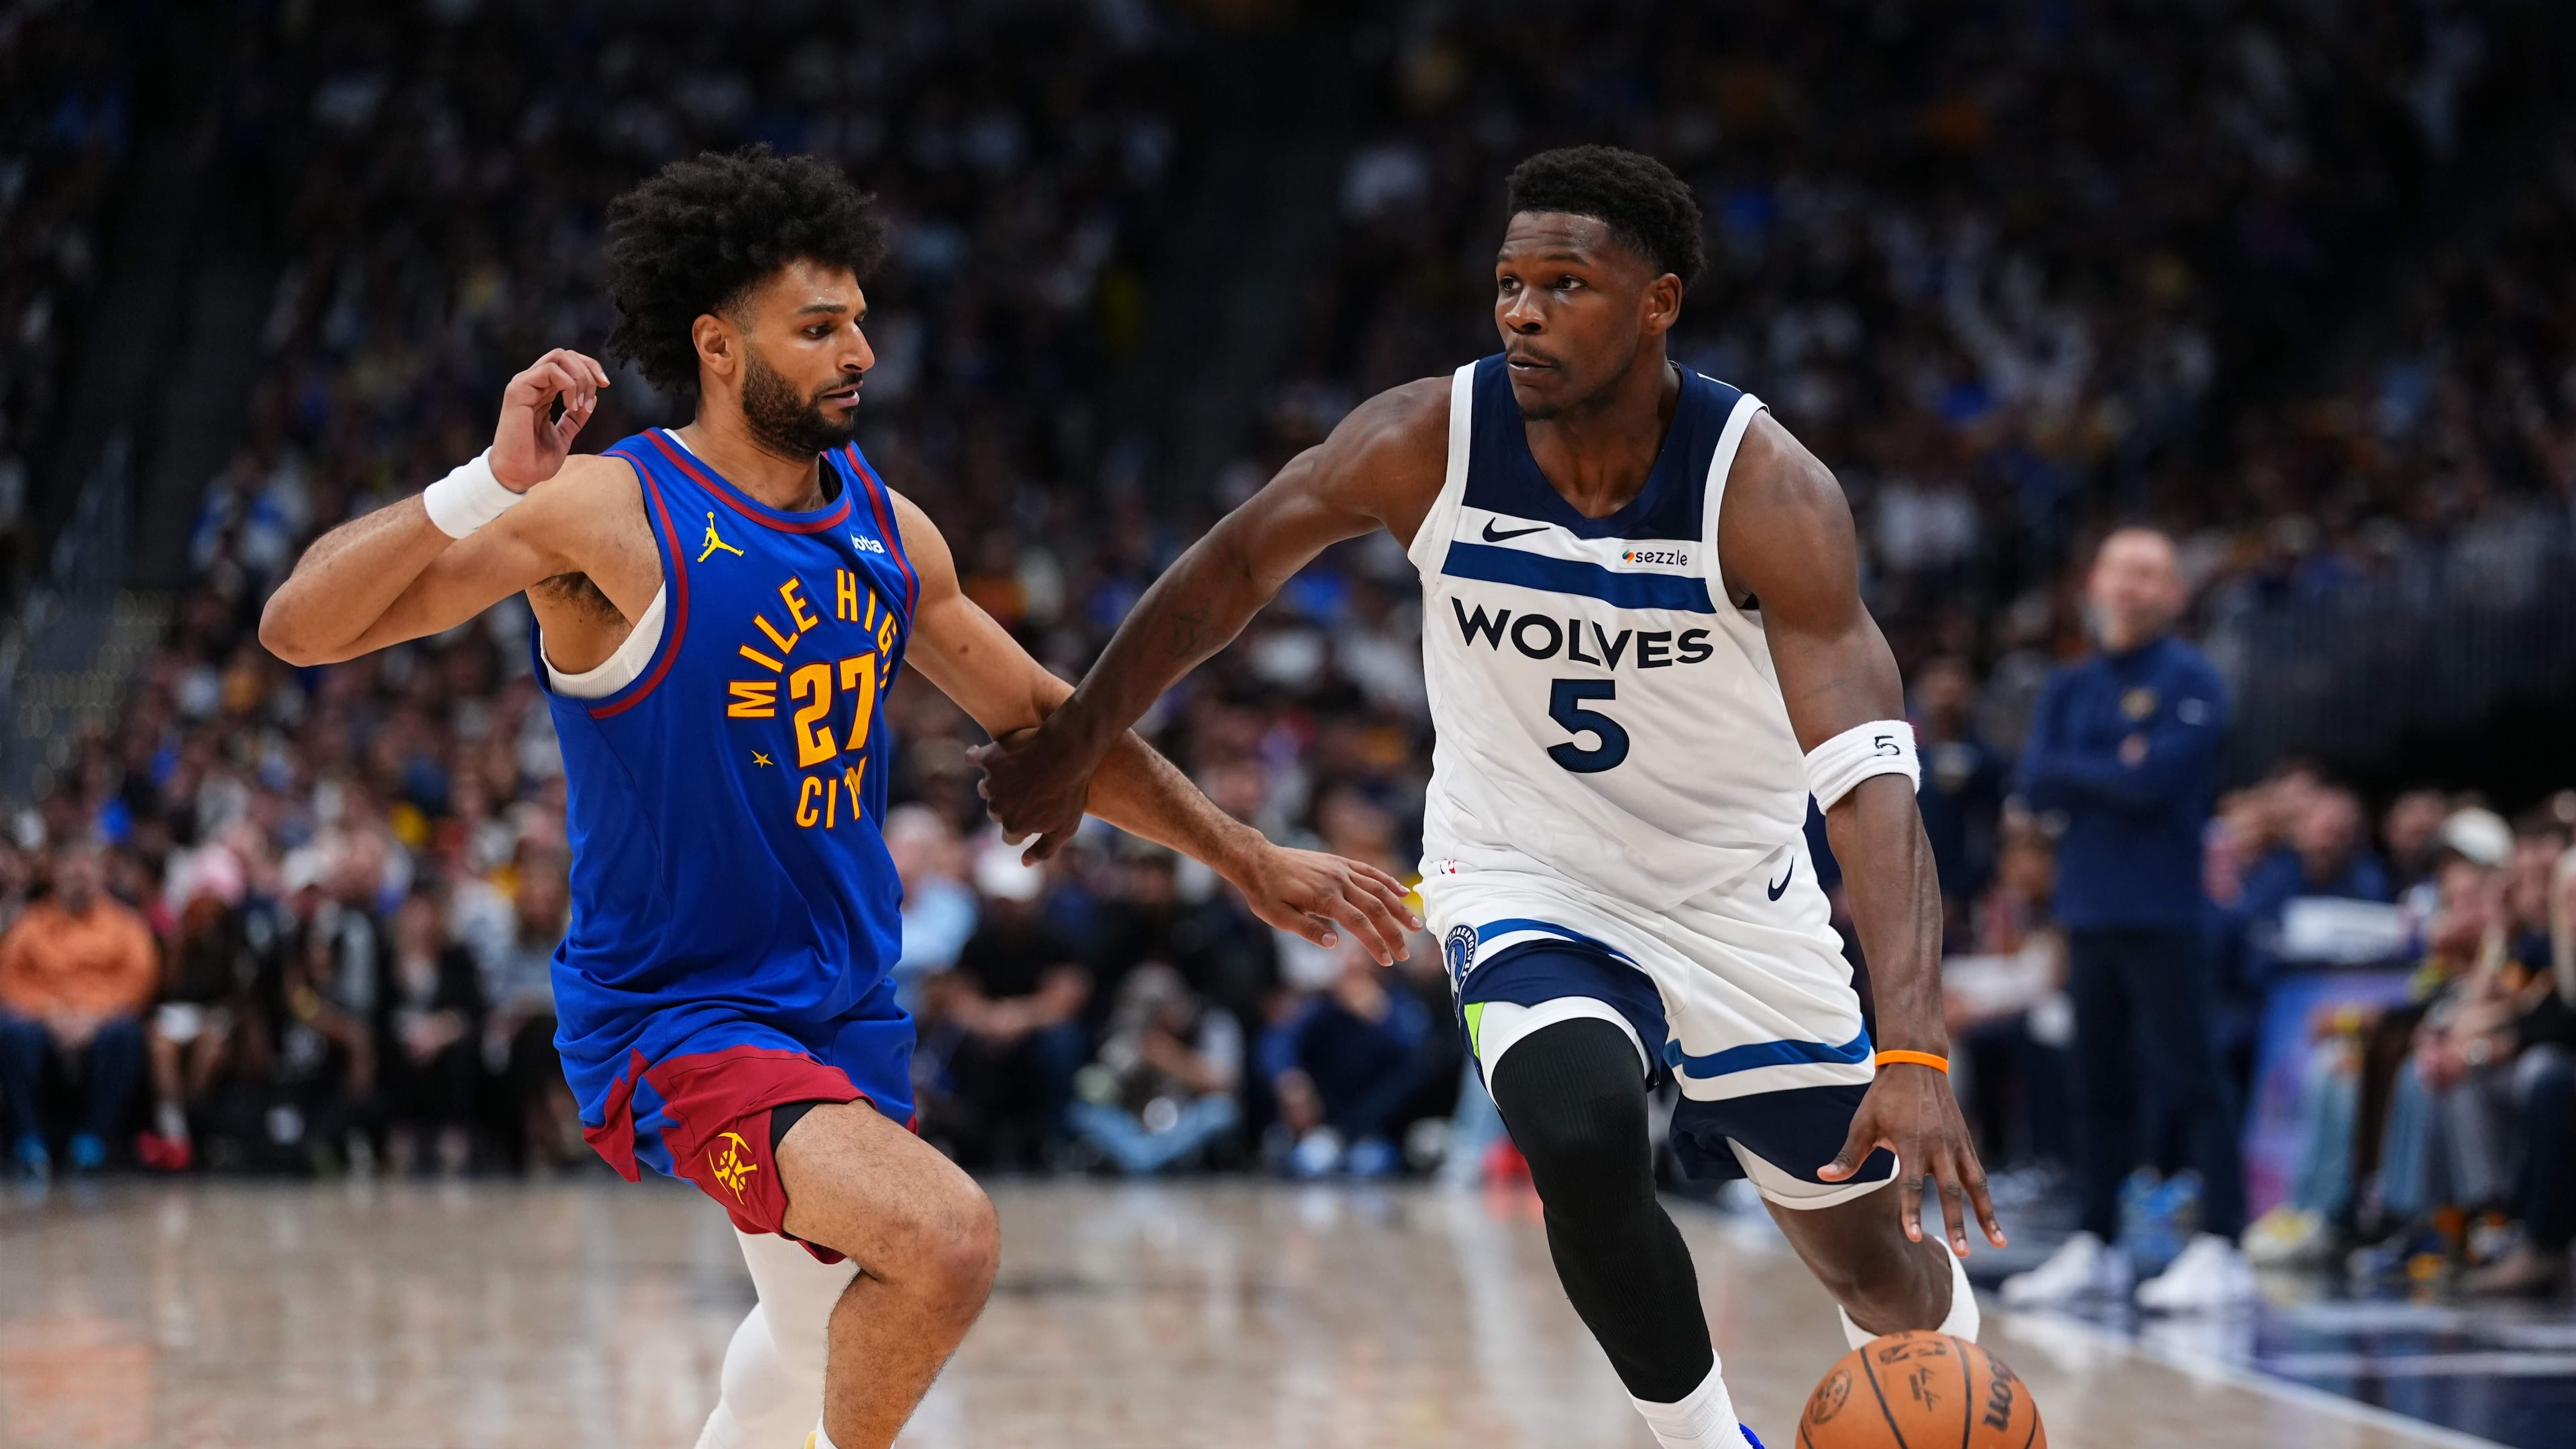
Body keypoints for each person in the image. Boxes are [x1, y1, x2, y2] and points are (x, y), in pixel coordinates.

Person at [256, 146, 1415, 1449]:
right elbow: (300, 628)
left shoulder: (886, 527)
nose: (858, 349)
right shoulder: (606, 513)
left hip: (846, 1001)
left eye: (860, 321)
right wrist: (486, 482)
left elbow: (1049, 721)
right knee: (944, 1242)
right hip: (681, 1013)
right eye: (818, 329)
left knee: (813, 1335)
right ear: (717, 346)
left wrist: (1245, 855)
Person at [977, 145, 1999, 1449]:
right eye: (1510, 283)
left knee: (1875, 1270)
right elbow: (1228, 574)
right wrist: (1077, 737)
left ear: (1657, 303)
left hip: (1738, 901)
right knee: (1575, 1134)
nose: (1521, 310)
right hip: (1527, 873)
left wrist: (1913, 1050)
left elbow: (1870, 784)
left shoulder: (1766, 488)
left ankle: (1954, 1389)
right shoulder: (1429, 440)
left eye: (1564, 284)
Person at [2003, 527, 2251, 1310]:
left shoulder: (2194, 678)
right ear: (2096, 583)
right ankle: (2096, 1242)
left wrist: (2093, 774)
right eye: (2121, 570)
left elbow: (2156, 785)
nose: (2133, 586)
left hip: (2166, 911)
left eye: (2151, 573)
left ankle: (2223, 1245)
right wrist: (2118, 763)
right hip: (2089, 909)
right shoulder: (2069, 685)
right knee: (2096, 1084)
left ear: (2176, 593)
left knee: (2193, 1079)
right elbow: (2035, 784)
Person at [0, 844, 158, 1179]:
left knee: (125, 1034)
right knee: (11, 1031)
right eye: (71, 872)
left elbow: (139, 979)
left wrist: (93, 1017)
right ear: (57, 877)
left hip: (99, 1022)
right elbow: (9, 977)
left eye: (86, 872)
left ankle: (93, 1139)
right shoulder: (31, 923)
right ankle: (29, 1139)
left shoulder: (125, 926)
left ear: (100, 876)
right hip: (43, 1021)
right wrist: (48, 1014)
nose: (78, 880)